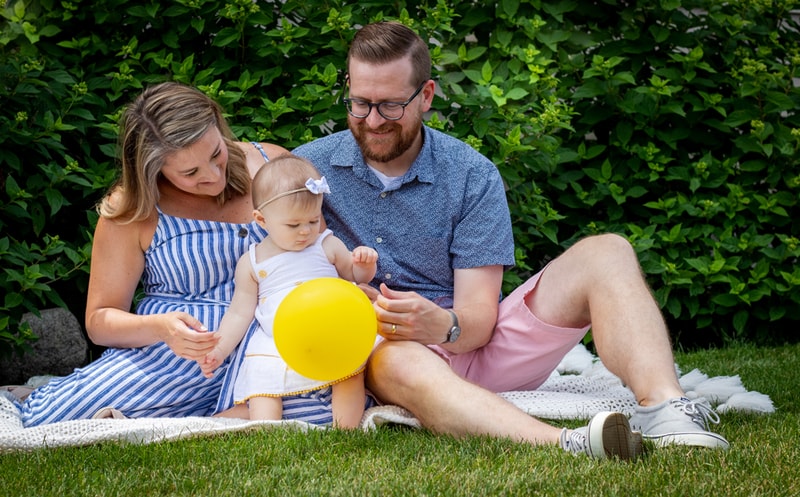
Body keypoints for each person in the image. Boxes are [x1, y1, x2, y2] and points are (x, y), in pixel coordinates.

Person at [293, 21, 729, 459]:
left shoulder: (470, 174)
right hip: (385, 357)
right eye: (360, 103)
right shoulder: (308, 170)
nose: (372, 121)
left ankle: (668, 409)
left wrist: (441, 325)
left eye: (389, 106)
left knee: (608, 250)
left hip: (471, 344)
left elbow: (480, 320)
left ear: (425, 96)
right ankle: (570, 443)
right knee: (391, 356)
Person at [4, 82, 340, 427]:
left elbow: (320, 248)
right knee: (55, 416)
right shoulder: (133, 208)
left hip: (276, 343)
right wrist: (161, 329)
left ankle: (215, 418)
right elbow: (100, 320)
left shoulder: (272, 166)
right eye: (190, 173)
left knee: (325, 409)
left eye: (215, 153)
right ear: (153, 169)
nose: (212, 176)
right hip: (177, 362)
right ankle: (209, 416)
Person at [199, 154, 378, 428]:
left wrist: (365, 264)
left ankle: (347, 431)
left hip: (331, 330)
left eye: (313, 220)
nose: (305, 231)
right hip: (277, 339)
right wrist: (220, 349)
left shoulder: (325, 245)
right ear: (261, 220)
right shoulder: (253, 261)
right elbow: (239, 312)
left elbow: (353, 277)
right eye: (293, 225)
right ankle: (265, 431)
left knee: (348, 373)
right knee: (262, 384)